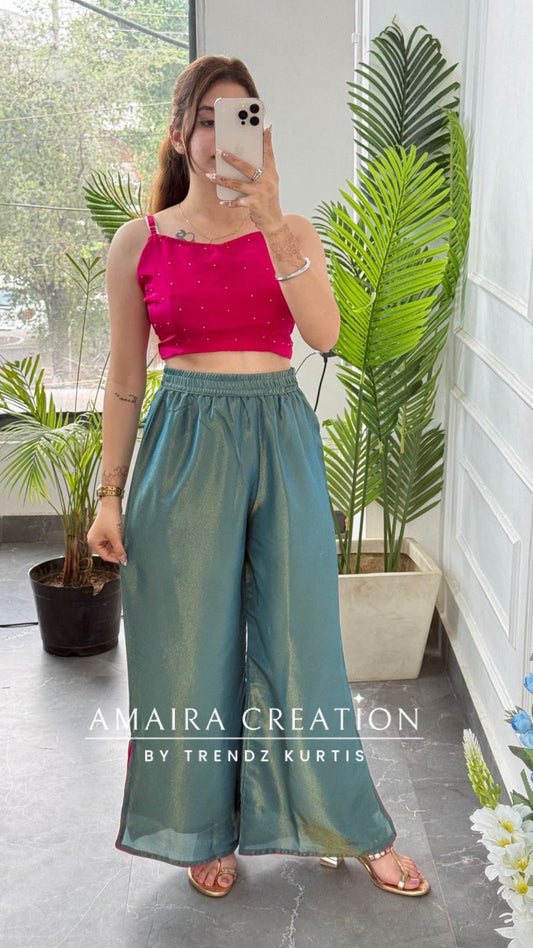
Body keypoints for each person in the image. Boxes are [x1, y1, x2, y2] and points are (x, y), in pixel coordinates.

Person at [87, 54, 429, 900]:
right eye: (205, 119)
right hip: (183, 444)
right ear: (179, 134)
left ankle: (350, 825)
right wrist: (108, 495)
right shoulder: (141, 241)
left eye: (239, 117)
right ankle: (202, 828)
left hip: (279, 439)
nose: (219, 136)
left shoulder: (293, 232)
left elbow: (324, 336)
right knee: (185, 648)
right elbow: (125, 382)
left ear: (260, 132)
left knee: (301, 640)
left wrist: (272, 222)